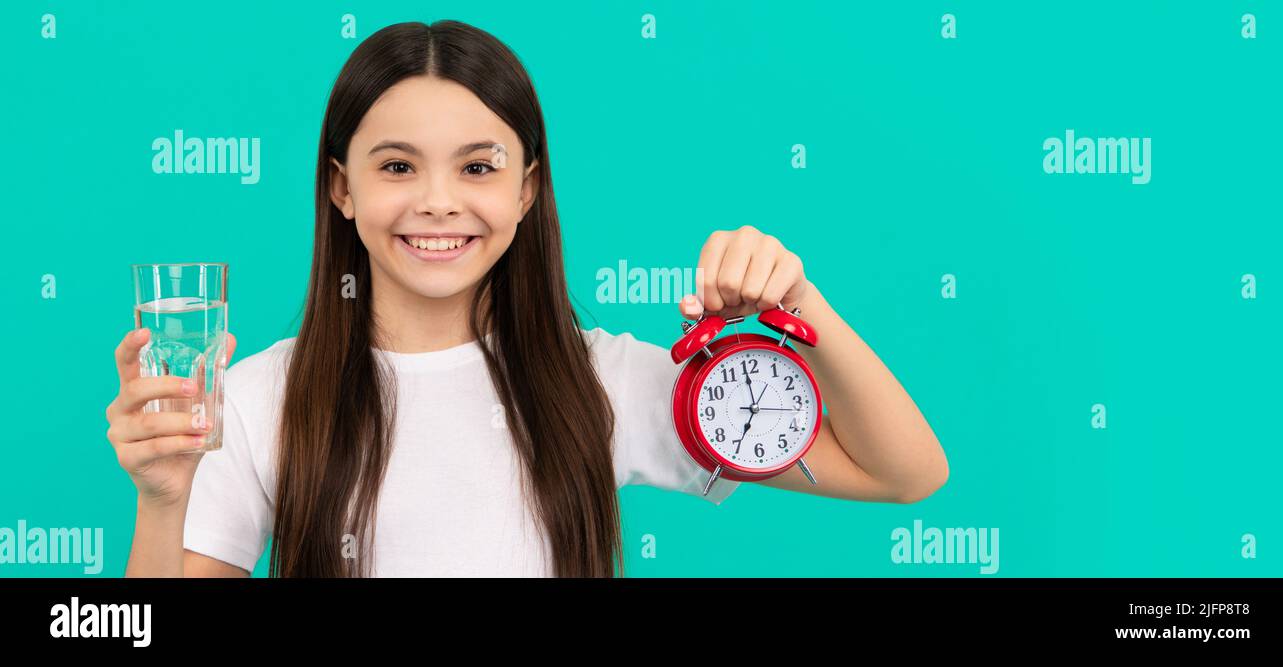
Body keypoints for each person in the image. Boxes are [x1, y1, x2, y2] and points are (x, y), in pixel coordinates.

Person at [104, 20, 948, 578]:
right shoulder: (253, 400)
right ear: (342, 189)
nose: (439, 201)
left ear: (526, 190)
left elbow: (903, 471)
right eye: (397, 166)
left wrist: (805, 309)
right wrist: (163, 497)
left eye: (479, 166)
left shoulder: (600, 379)